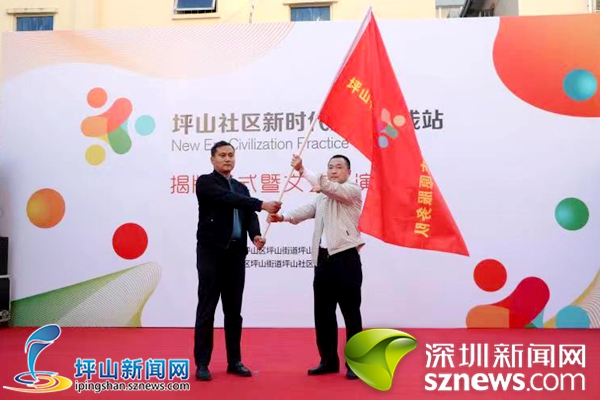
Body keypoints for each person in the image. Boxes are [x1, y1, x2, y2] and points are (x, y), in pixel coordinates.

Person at [267, 154, 365, 380]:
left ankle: (356, 364)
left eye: (338, 167)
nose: (333, 171)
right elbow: (307, 210)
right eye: (330, 167)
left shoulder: (352, 191)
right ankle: (328, 361)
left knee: (351, 313)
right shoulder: (322, 197)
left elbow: (329, 188)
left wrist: (303, 170)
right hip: (322, 261)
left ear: (348, 172)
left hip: (345, 258)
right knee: (323, 314)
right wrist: (283, 217)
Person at [194, 140, 282, 381]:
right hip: (211, 253)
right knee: (207, 308)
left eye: (231, 155)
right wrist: (262, 204)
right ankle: (202, 363)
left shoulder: (242, 188)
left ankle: (235, 361)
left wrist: (255, 235)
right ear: (212, 159)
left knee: (234, 311)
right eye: (222, 155)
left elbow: (249, 215)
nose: (227, 159)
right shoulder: (205, 183)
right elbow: (228, 199)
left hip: (235, 254)